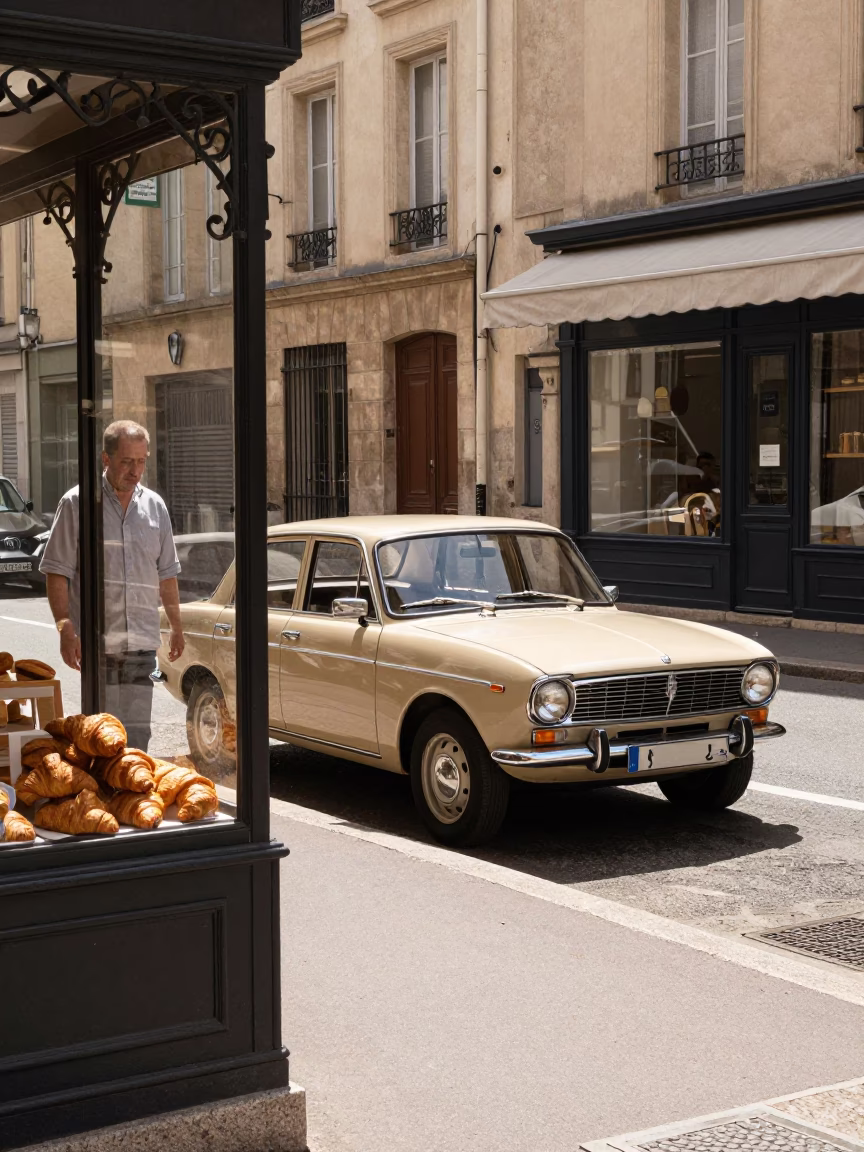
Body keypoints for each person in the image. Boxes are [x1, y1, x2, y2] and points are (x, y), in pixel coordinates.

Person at [40, 419, 185, 751]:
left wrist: (176, 626)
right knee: (100, 739)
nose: (135, 471)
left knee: (137, 740)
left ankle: (129, 802)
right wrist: (65, 629)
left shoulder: (155, 507)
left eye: (141, 461)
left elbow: (167, 574)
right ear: (106, 460)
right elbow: (56, 573)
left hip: (142, 645)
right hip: (97, 646)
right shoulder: (76, 505)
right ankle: (100, 802)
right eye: (126, 461)